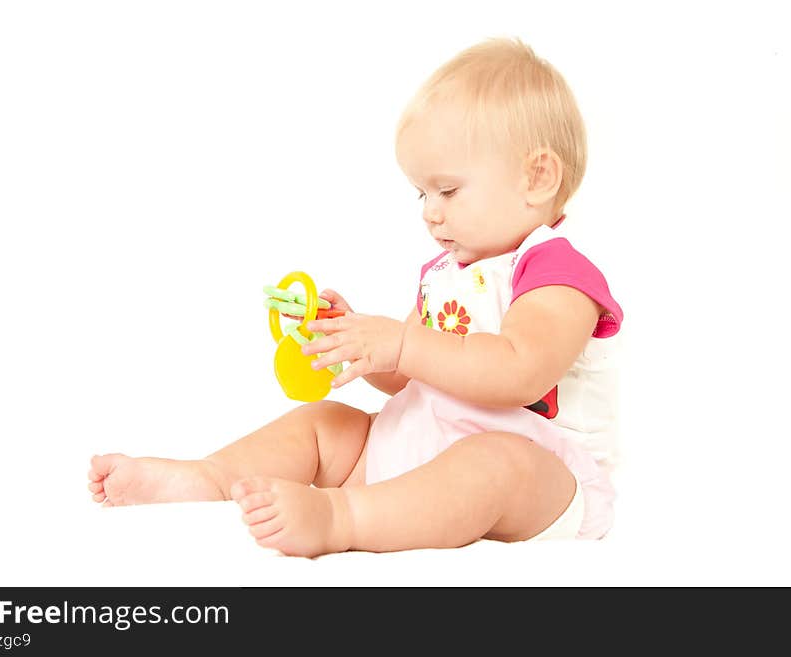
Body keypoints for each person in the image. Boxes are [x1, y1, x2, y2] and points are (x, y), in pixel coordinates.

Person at [87, 37, 624, 558]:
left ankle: (343, 518)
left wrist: (400, 344)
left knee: (495, 464)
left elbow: (518, 372)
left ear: (537, 177)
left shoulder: (557, 273)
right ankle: (204, 477)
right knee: (327, 422)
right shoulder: (448, 273)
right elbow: (409, 373)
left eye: (449, 190)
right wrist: (360, 342)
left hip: (539, 475)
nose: (429, 212)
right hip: (424, 448)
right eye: (422, 193)